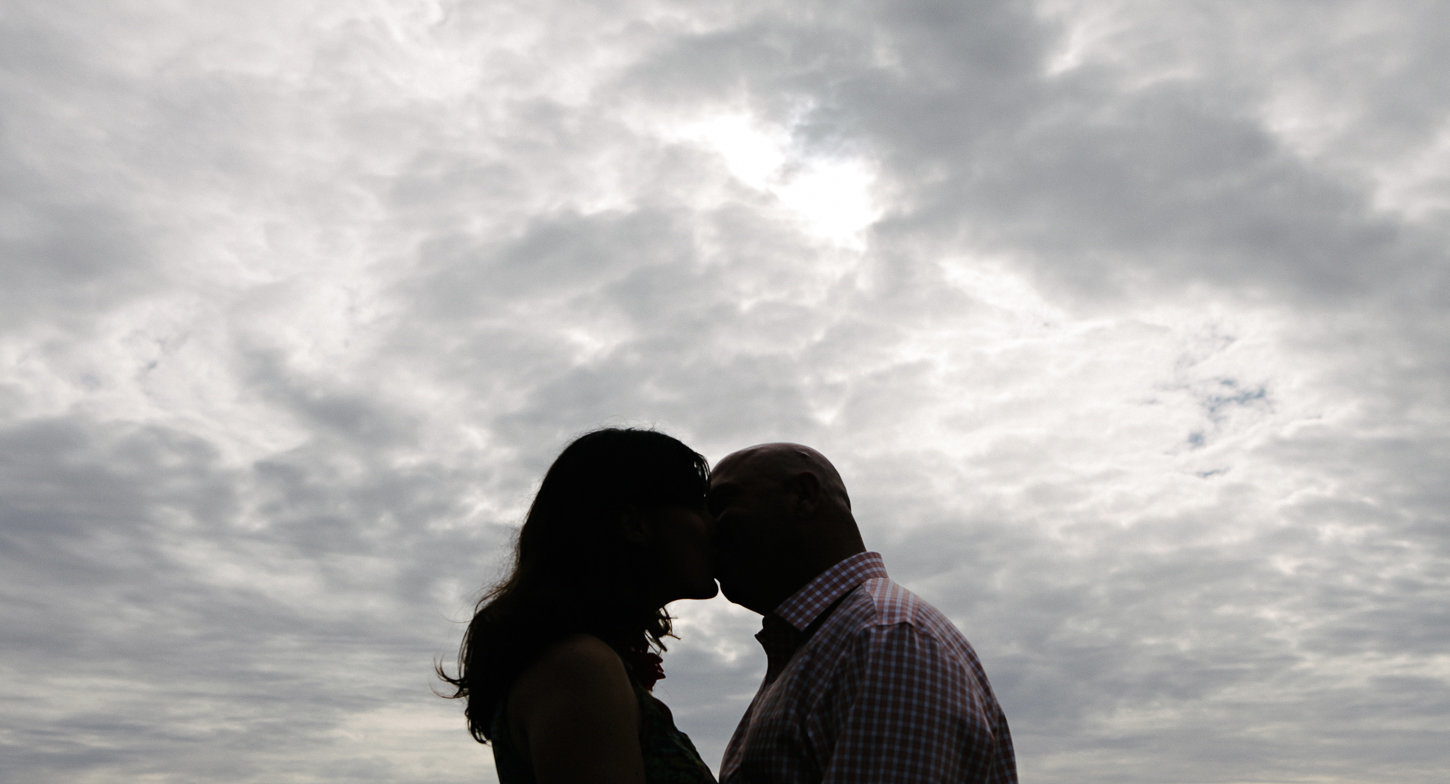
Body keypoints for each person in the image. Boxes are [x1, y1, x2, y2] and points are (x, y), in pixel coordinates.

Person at [709, 442, 1017, 784]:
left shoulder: (888, 639)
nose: (707, 533)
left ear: (803, 496)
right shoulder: (848, 639)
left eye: (721, 506)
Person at [438, 427, 719, 784]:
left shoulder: (578, 660)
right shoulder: (580, 666)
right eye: (700, 507)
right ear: (635, 524)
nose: (715, 526)